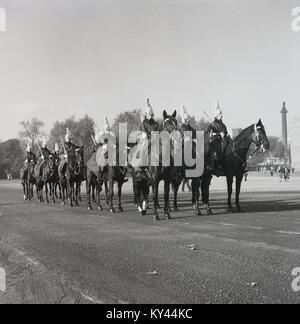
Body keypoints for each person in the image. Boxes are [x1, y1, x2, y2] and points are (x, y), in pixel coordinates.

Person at [207, 102, 230, 176]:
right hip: (215, 142)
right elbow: (209, 135)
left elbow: (225, 133)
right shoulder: (212, 125)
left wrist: (226, 135)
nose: (222, 115)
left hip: (224, 141)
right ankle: (218, 167)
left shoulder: (223, 125)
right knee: (219, 151)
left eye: (222, 114)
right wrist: (219, 134)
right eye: (220, 114)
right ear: (217, 115)